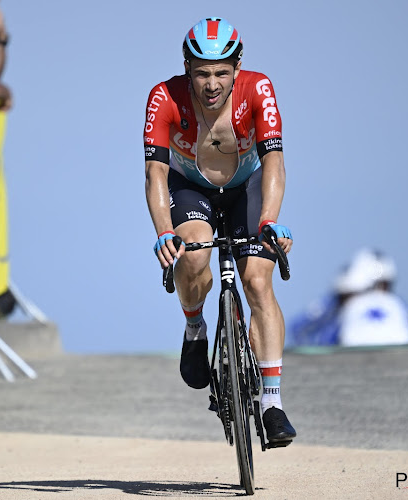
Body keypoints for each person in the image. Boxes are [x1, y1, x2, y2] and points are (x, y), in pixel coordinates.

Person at [144, 18, 296, 445]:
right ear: (187, 68)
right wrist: (162, 233)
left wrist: (268, 221)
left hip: (246, 188)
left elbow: (274, 164)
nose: (212, 84)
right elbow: (155, 173)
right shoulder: (164, 96)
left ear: (238, 67)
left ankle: (271, 402)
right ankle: (195, 328)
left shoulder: (258, 89)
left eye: (222, 73)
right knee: (192, 257)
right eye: (202, 74)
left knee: (257, 280)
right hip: (190, 188)